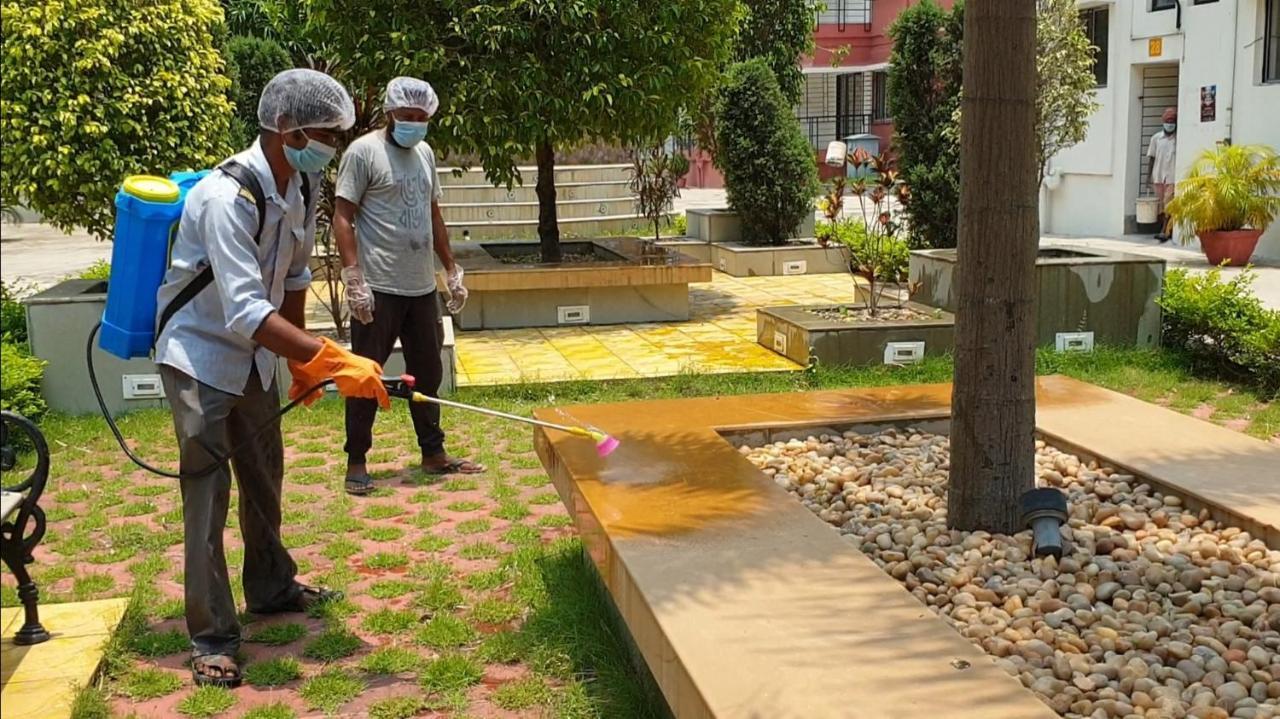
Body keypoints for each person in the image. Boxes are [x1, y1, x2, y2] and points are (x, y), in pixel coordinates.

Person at [153, 68, 391, 688]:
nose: (331, 146)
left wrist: (299, 364)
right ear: (286, 128)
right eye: (323, 133)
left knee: (264, 471)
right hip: (200, 356)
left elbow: (290, 282)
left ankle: (272, 586)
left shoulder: (302, 179)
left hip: (254, 355)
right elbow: (243, 309)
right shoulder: (222, 197)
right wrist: (333, 358)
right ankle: (211, 637)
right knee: (207, 494)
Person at [333, 76, 483, 496]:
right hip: (378, 287)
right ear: (389, 114)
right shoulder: (364, 153)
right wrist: (354, 278)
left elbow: (433, 215)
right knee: (365, 375)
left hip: (419, 287)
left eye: (422, 118)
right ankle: (357, 459)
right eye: (407, 117)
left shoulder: (425, 154)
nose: (414, 124)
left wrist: (450, 269)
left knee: (429, 372)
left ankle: (433, 453)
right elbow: (342, 217)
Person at [1147, 108, 1178, 243]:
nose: (1170, 123)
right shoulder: (1156, 138)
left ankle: (1165, 231)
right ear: (1163, 122)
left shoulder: (1178, 139)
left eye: (1172, 121)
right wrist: (1148, 176)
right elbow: (1151, 158)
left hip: (1171, 177)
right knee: (1161, 205)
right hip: (1158, 176)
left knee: (1168, 204)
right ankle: (1163, 229)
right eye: (1168, 121)